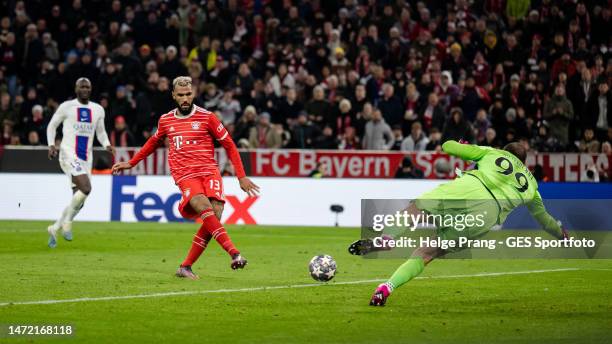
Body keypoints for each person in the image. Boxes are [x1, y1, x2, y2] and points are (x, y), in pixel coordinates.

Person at [351, 140, 567, 306]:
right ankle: (385, 288)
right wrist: (561, 234)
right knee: (427, 253)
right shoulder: (532, 185)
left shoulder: (493, 153)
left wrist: (462, 144)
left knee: (416, 210)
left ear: (505, 151)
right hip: (489, 215)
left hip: (469, 189)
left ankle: (388, 238)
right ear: (524, 162)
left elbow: (448, 146)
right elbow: (544, 219)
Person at [112, 76, 259, 279]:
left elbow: (230, 145)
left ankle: (185, 266)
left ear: (193, 93)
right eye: (180, 95)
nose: (185, 98)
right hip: (185, 173)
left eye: (188, 94)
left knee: (215, 213)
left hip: (209, 171)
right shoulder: (165, 120)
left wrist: (241, 176)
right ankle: (234, 253)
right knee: (202, 205)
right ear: (173, 95)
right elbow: (153, 142)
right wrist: (132, 162)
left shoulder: (208, 117)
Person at [46, 78, 115, 248]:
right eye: (81, 86)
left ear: (91, 89)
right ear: (76, 88)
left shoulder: (98, 109)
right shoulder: (66, 107)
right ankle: (67, 223)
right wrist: (51, 145)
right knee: (86, 188)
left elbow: (101, 132)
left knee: (79, 200)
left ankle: (54, 228)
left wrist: (106, 144)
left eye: (87, 87)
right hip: (68, 153)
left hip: (86, 158)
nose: (85, 89)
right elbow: (52, 126)